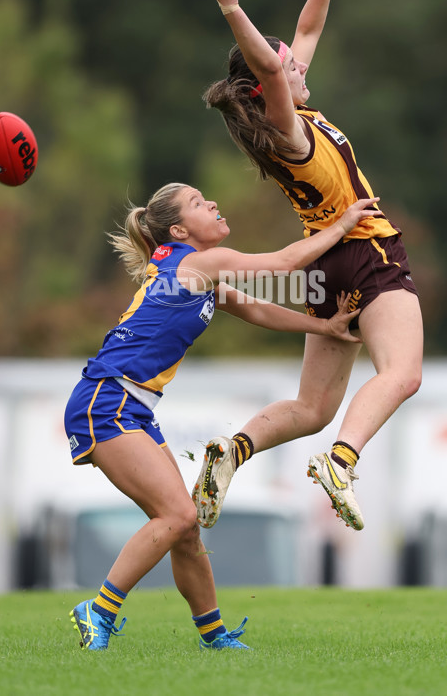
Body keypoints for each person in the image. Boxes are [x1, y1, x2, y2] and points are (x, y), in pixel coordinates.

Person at [65, 181, 381, 651]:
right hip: (106, 401)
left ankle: (214, 637)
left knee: (185, 525)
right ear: (178, 229)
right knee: (175, 515)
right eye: (197, 203)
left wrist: (323, 326)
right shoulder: (196, 263)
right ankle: (100, 609)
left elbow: (256, 310)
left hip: (130, 406)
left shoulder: (195, 271)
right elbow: (283, 264)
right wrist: (341, 225)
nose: (211, 202)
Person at [192, 0, 423, 533]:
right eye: (285, 66)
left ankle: (232, 449)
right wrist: (232, 10)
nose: (296, 63)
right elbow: (273, 64)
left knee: (313, 406)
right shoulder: (289, 128)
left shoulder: (291, 120)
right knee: (401, 373)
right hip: (366, 252)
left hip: (324, 265)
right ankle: (342, 463)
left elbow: (306, 29)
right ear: (266, 85)